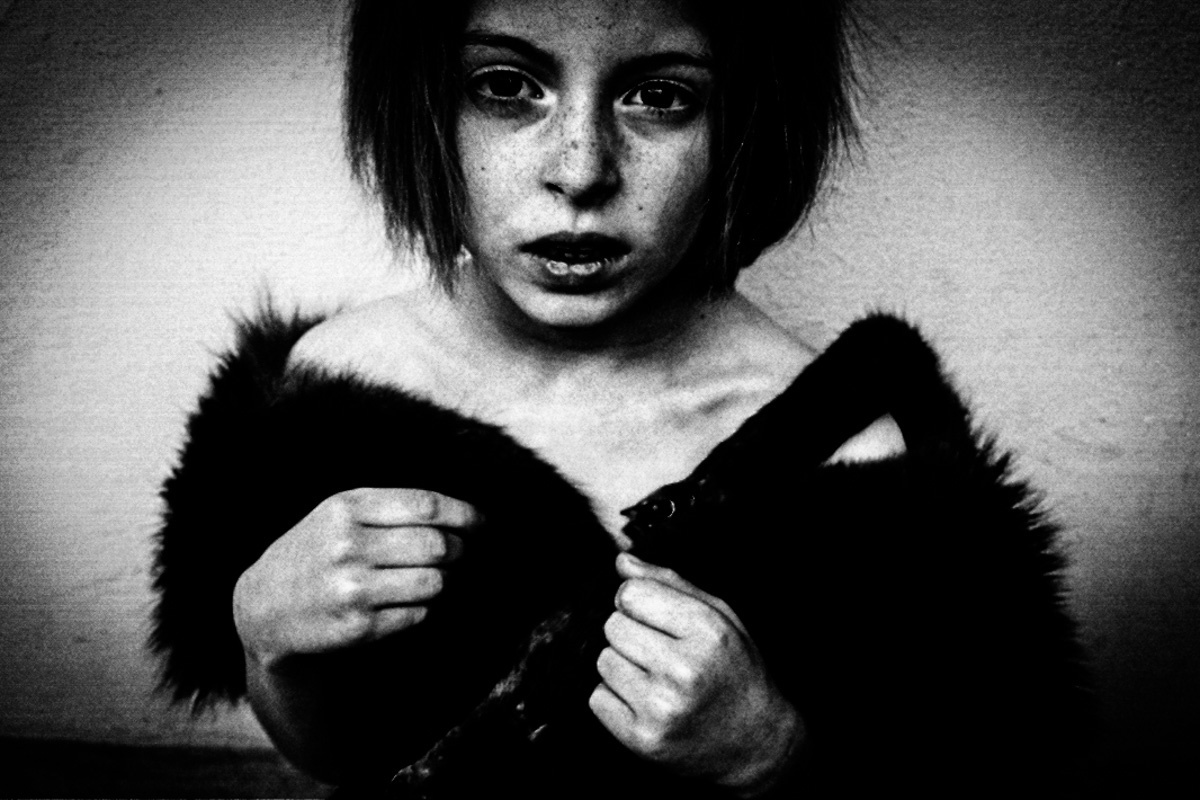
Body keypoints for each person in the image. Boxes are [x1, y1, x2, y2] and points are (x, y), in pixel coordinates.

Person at [150, 0, 1090, 796]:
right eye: (506, 85)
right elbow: (348, 762)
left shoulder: (858, 466)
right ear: (422, 100)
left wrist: (770, 751)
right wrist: (267, 642)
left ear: (748, 118)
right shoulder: (321, 398)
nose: (581, 169)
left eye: (660, 96)